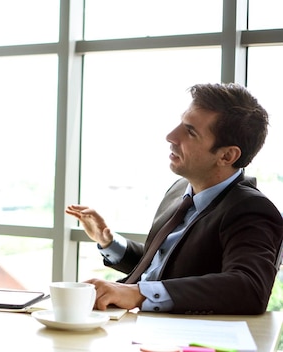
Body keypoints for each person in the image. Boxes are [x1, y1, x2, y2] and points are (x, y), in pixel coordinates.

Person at [66, 82, 283, 315]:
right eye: (181, 123)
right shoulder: (179, 190)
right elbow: (167, 268)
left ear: (227, 155)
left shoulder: (251, 209)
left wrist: (137, 294)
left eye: (190, 132)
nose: (171, 136)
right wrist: (109, 242)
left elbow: (249, 287)